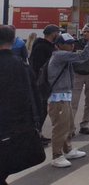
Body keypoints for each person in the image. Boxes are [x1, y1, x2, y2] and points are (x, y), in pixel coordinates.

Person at [0, 25, 43, 183]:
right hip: (17, 128)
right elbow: (34, 96)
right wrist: (36, 122)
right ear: (13, 41)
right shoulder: (22, 66)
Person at [47, 32, 89, 168]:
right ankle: (56, 156)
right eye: (69, 44)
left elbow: (80, 60)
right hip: (58, 99)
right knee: (60, 128)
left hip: (64, 96)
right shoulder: (59, 55)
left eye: (72, 43)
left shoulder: (64, 57)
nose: (72, 46)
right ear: (59, 45)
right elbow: (81, 56)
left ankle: (67, 150)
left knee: (68, 125)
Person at [29, 24, 60, 145]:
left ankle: (38, 133)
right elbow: (40, 66)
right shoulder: (43, 47)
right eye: (57, 32)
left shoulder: (44, 46)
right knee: (41, 110)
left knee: (42, 110)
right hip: (41, 82)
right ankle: (37, 134)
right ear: (53, 34)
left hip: (42, 82)